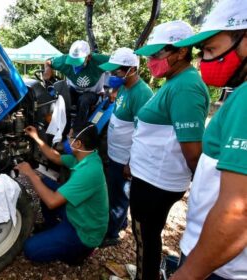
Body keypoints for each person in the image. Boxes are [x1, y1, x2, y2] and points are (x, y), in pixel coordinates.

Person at [168, 1, 247, 279]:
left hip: (219, 266)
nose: (205, 60)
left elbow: (239, 210)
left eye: (212, 49)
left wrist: (189, 273)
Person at [129, 20, 210, 280]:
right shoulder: (174, 81)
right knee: (149, 236)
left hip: (156, 183)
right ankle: (148, 271)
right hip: (151, 177)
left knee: (146, 236)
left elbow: (193, 151)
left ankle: (146, 275)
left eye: (157, 54)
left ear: (181, 51)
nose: (151, 60)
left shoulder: (186, 86)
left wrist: (203, 192)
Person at [15, 124, 108, 264]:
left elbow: (52, 202)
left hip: (84, 232)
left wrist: (30, 173)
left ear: (78, 143)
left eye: (70, 136)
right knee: (43, 183)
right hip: (77, 213)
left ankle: (77, 253)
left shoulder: (88, 171)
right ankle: (53, 229)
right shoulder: (87, 155)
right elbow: (56, 157)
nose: (67, 139)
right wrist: (36, 138)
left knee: (30, 250)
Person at [98, 47, 153, 246]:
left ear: (131, 69)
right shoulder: (124, 88)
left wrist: (131, 162)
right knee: (115, 192)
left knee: (119, 194)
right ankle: (120, 223)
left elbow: (142, 133)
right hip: (115, 153)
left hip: (125, 158)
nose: (113, 75)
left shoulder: (142, 94)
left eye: (116, 71)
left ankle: (112, 234)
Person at [44, 40, 110, 128]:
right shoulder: (64, 60)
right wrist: (47, 70)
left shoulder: (99, 60)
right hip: (73, 91)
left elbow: (119, 63)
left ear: (89, 57)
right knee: (62, 99)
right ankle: (63, 129)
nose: (75, 65)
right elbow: (48, 62)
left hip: (93, 93)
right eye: (72, 61)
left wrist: (115, 89)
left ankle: (77, 130)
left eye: (78, 62)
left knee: (84, 100)